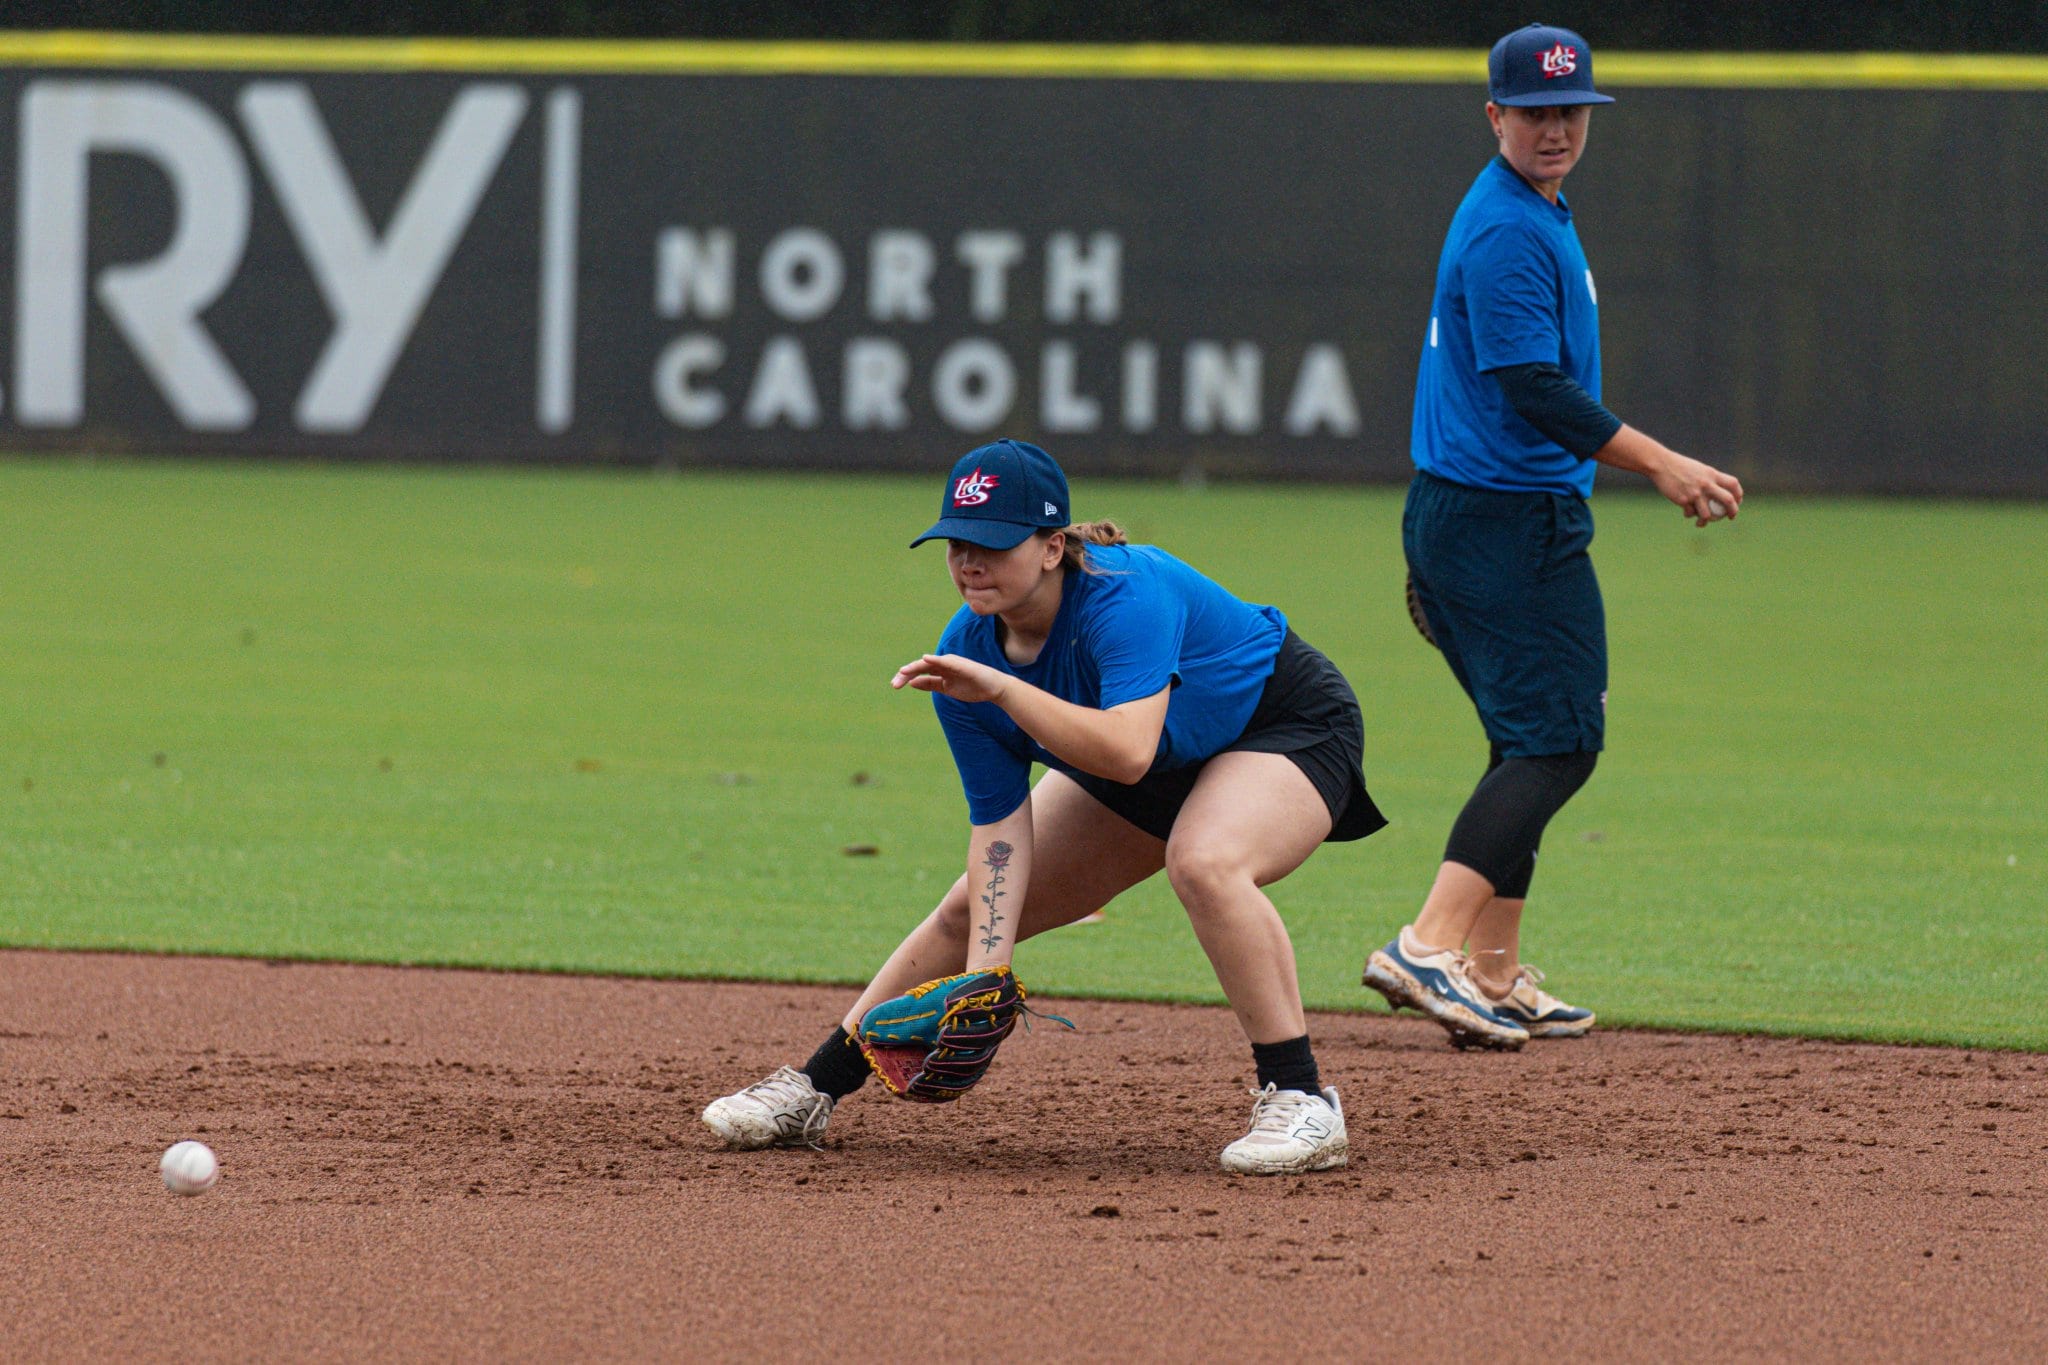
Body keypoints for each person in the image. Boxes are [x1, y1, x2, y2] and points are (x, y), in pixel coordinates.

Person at [704, 438, 1387, 1174]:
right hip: (1152, 758)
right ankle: (814, 1087)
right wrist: (985, 975)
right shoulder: (964, 653)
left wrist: (1000, 689)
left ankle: (1303, 1098)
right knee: (965, 912)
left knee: (1206, 860)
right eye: (957, 543)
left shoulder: (1125, 597)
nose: (970, 561)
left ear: (1053, 545)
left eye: (994, 543)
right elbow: (1000, 830)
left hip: (1279, 724)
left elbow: (1126, 749)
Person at [1362, 24, 1746, 1049]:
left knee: (1525, 740)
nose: (1554, 128)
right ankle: (1429, 945)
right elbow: (1530, 387)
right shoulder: (1504, 231)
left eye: (1568, 111)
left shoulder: (1530, 210)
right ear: (1493, 116)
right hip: (1498, 520)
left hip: (1484, 517)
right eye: (1532, 111)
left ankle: (1486, 972)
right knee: (1558, 738)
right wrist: (1660, 463)